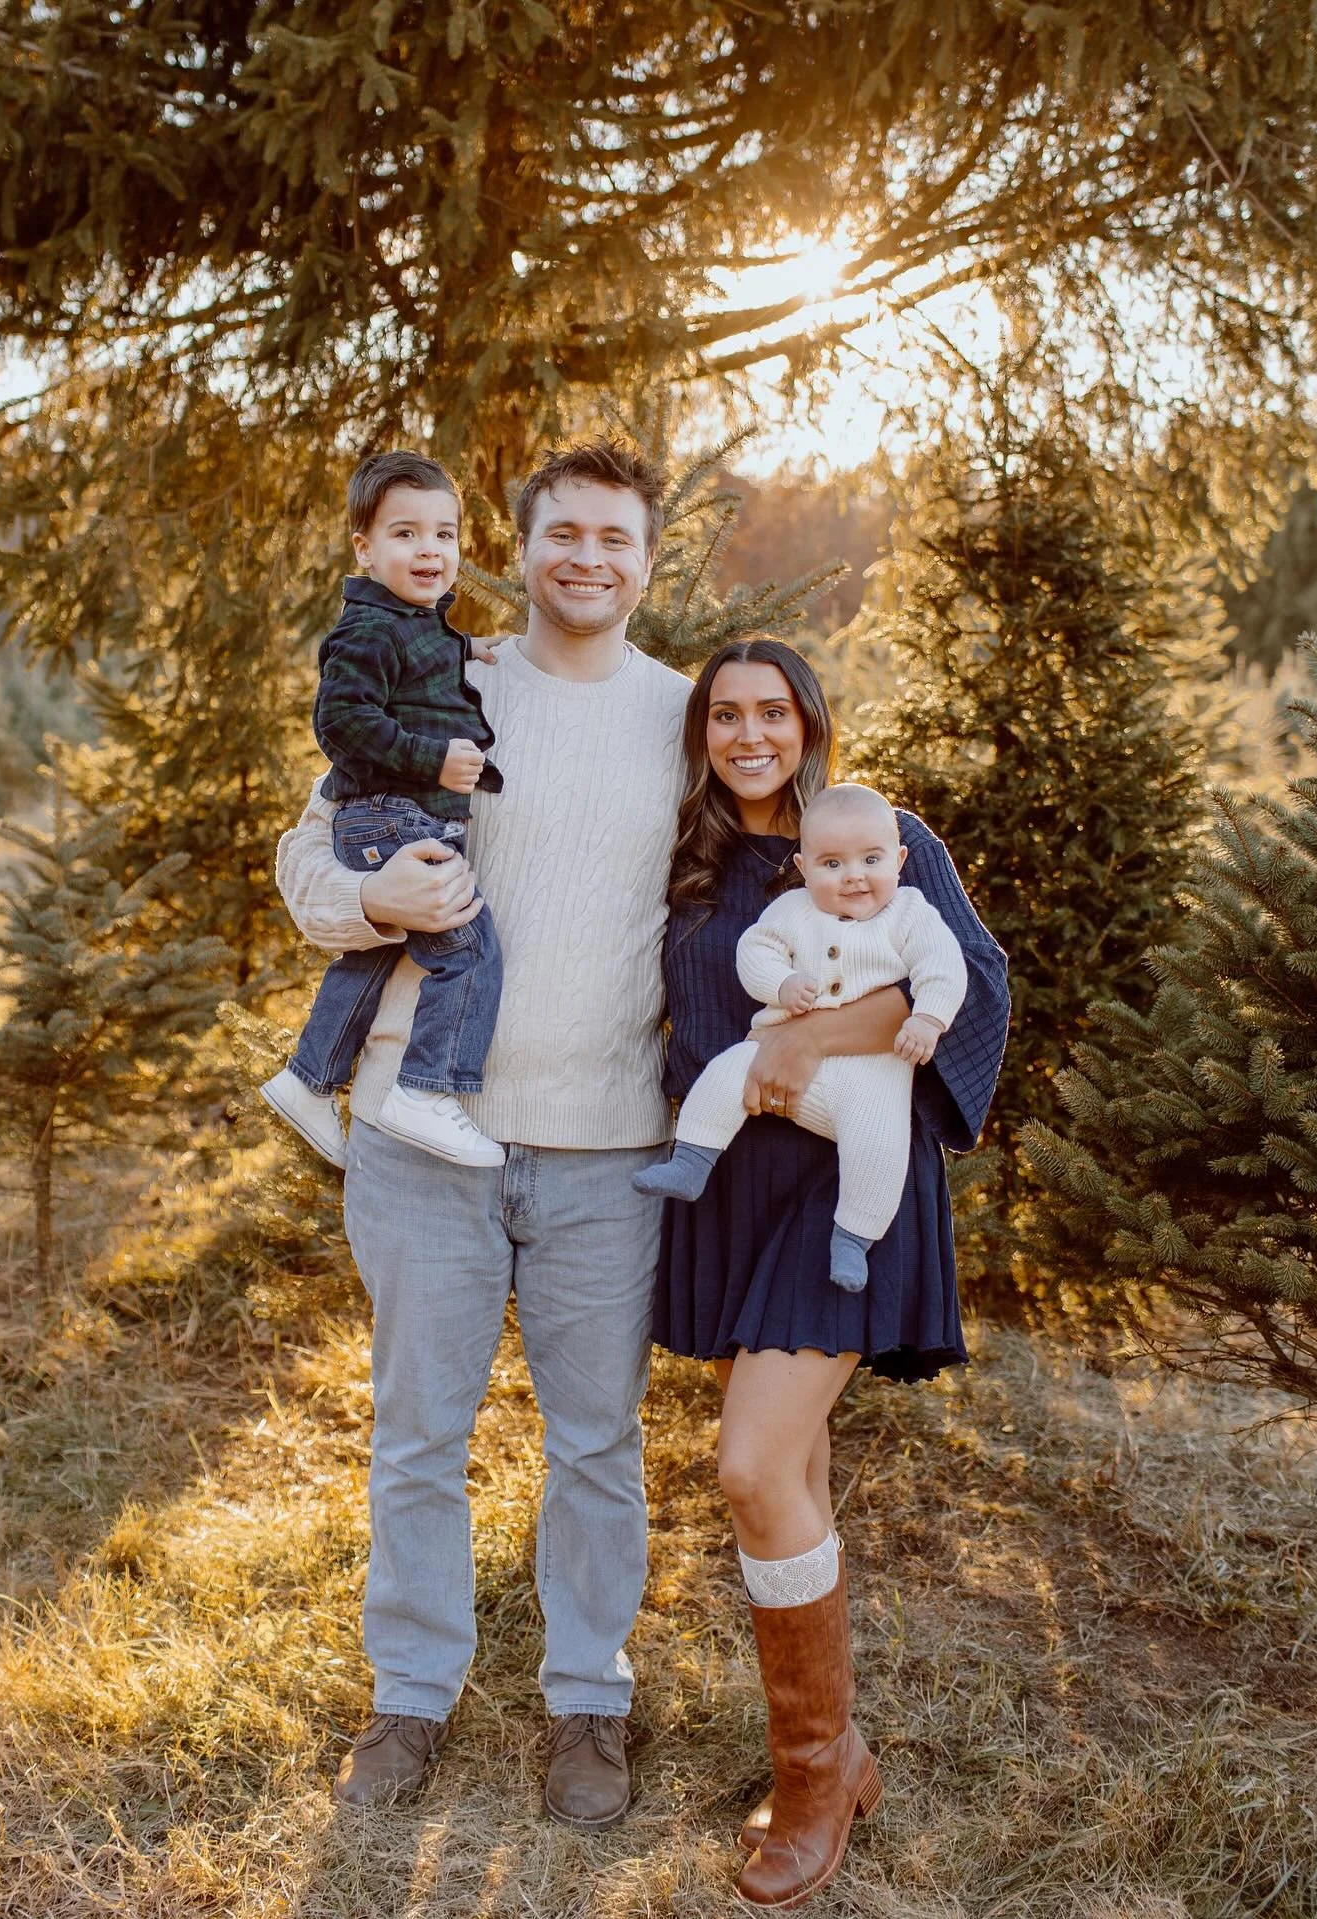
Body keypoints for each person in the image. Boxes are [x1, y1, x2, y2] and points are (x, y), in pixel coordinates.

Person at [273, 439, 691, 1827]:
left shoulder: (684, 718)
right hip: (419, 1130)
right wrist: (373, 904)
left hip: (605, 1148)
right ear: (521, 547)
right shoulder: (449, 678)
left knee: (595, 1441)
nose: (587, 557)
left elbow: (795, 855)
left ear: (647, 558)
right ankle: (411, 1693)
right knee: (415, 1433)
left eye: (614, 537)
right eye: (561, 532)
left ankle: (588, 1699)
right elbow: (306, 853)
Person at [651, 637, 1008, 1908]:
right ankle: (834, 1752)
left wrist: (803, 1038)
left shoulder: (881, 836)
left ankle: (812, 1772)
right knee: (787, 1466)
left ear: (810, 720)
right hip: (740, 1180)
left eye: (775, 711)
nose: (752, 734)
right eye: (727, 714)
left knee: (749, 1462)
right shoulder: (692, 858)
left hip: (857, 1181)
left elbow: (968, 991)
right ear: (704, 730)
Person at [260, 452, 507, 1171]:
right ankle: (426, 1091)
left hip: (388, 813)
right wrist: (432, 758)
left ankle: (309, 1078)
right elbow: (341, 721)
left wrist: (470, 649)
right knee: (467, 949)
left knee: (375, 949)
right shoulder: (366, 629)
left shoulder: (413, 621)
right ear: (364, 547)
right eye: (405, 534)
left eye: (445, 533)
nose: (430, 549)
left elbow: (419, 661)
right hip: (388, 812)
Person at [634, 782, 967, 1291]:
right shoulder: (792, 911)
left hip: (870, 1078)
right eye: (832, 864)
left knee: (879, 1148)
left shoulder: (911, 914)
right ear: (804, 867)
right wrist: (782, 983)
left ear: (899, 859)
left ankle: (853, 1240)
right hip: (771, 1058)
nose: (854, 876)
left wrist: (928, 1019)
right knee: (725, 1074)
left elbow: (944, 966)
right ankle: (691, 1161)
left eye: (871, 860)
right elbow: (755, 951)